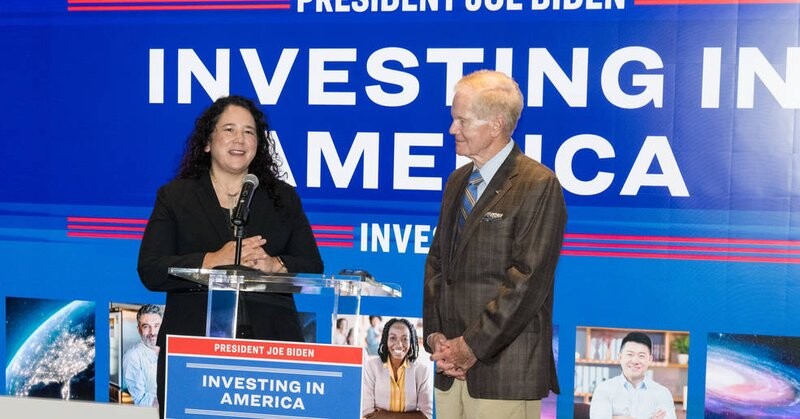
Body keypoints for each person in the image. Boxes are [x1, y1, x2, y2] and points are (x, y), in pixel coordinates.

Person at [137, 95, 324, 418]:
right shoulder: (176, 197)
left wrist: (275, 265)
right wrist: (212, 259)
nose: (240, 139)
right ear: (207, 142)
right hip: (194, 352)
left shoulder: (282, 198)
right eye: (229, 129)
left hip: (271, 349)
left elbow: (313, 265)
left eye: (249, 132)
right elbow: (151, 269)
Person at [423, 70, 567, 419]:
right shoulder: (457, 181)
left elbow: (527, 283)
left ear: (496, 124)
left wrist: (470, 346)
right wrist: (436, 336)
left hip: (503, 373)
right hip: (450, 370)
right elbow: (438, 263)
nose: (452, 129)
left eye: (462, 120)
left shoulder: (538, 184)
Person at [589, 332, 677, 419]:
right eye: (630, 354)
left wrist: (615, 417)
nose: (635, 361)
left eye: (641, 356)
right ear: (620, 357)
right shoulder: (604, 389)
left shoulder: (662, 393)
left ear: (650, 359)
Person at [362, 318, 433, 419]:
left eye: (405, 339)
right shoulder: (371, 367)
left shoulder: (421, 371)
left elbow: (427, 415)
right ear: (386, 340)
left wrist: (387, 416)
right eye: (393, 338)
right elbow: (367, 413)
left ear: (411, 342)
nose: (399, 344)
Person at [122, 304, 162, 407]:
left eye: (156, 326)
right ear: (139, 330)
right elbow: (141, 400)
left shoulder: (169, 351)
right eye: (146, 326)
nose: (152, 332)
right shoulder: (132, 357)